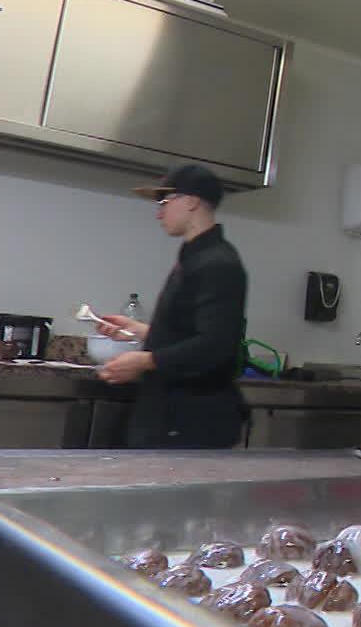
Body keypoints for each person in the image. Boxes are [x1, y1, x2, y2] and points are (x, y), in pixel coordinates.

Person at [95, 164, 249, 449]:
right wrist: (140, 331)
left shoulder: (218, 264)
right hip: (170, 415)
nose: (159, 212)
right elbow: (191, 331)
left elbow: (215, 345)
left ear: (191, 201)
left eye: (165, 201)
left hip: (192, 420)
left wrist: (145, 360)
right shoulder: (195, 257)